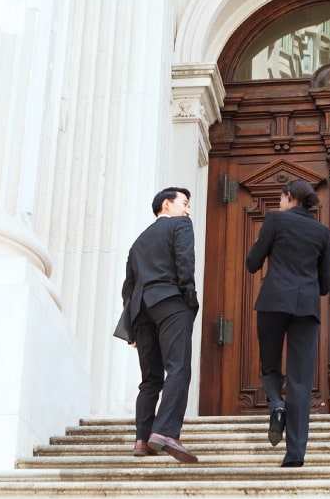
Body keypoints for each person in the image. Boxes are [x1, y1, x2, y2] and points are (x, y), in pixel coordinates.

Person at [246, 179, 330, 468]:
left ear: (289, 197)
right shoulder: (321, 232)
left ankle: (276, 404)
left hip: (273, 303)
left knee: (270, 366)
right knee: (300, 380)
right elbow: (325, 284)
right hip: (307, 307)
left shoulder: (274, 220)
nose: (279, 202)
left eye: (281, 197)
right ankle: (295, 454)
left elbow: (252, 262)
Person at [119, 187, 200, 463]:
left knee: (150, 378)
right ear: (167, 204)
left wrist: (131, 323)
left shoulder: (138, 241)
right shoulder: (181, 225)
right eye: (185, 203)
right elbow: (184, 261)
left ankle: (142, 439)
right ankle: (165, 432)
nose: (188, 210)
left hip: (141, 310)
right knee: (178, 368)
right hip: (170, 301)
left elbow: (127, 287)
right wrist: (190, 299)